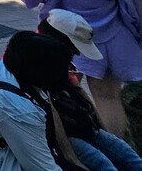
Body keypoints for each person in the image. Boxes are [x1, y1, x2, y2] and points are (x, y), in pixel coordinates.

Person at [19, 0, 142, 137]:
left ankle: (74, 143)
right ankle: (119, 148)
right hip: (111, 39)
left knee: (62, 93)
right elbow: (133, 2)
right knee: (108, 98)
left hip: (68, 40)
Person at [0, 31, 87, 170]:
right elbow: (43, 168)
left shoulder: (2, 70)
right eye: (65, 69)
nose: (67, 75)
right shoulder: (18, 108)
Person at [37, 9, 142, 170]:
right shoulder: (36, 65)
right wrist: (70, 155)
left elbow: (79, 91)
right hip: (59, 133)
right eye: (74, 48)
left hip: (81, 126)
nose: (78, 53)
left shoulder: (62, 61)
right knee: (104, 165)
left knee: (129, 156)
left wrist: (100, 130)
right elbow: (51, 114)